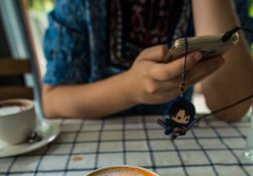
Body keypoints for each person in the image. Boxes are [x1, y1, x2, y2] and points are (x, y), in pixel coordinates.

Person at [42, 0, 253, 121]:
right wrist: (130, 89)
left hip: (176, 137)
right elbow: (52, 102)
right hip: (93, 141)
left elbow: (232, 108)